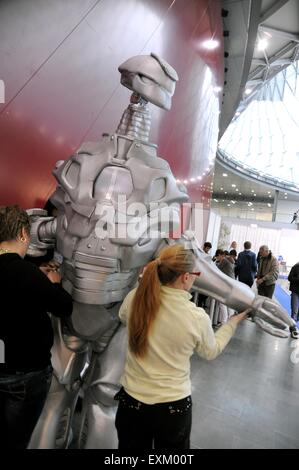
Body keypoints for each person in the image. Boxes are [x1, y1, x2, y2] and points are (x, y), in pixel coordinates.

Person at [114, 244, 249, 449]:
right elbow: (210, 351)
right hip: (172, 409)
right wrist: (232, 323)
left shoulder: (135, 299)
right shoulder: (195, 317)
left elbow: (123, 317)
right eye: (195, 274)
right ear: (185, 277)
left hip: (131, 403)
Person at [0, 205, 73, 449]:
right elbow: (64, 307)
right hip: (25, 375)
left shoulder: (28, 274)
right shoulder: (27, 274)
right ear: (22, 233)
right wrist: (52, 284)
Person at [288, 262, 299, 339]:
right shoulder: (296, 267)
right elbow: (289, 278)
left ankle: (293, 324)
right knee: (294, 311)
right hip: (295, 292)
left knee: (298, 314)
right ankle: (293, 329)